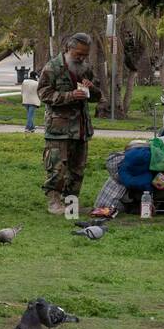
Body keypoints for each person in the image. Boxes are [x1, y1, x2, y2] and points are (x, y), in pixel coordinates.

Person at [37, 33, 102, 214]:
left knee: (77, 169)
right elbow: (43, 94)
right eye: (78, 54)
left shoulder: (86, 69)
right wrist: (70, 96)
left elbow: (98, 96)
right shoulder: (52, 68)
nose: (81, 58)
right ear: (68, 49)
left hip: (80, 128)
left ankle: (71, 202)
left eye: (85, 55)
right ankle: (54, 201)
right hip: (59, 128)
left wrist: (91, 89)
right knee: (57, 167)